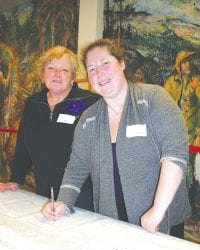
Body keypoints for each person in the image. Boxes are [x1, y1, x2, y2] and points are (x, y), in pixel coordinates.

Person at [42, 39, 191, 238]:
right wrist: (64, 202)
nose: (99, 73)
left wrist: (158, 209)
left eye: (105, 63)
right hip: (111, 221)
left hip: (162, 220)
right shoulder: (88, 118)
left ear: (121, 63)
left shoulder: (153, 98)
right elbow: (77, 167)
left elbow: (175, 154)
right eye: (92, 68)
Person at [0, 45, 100, 210]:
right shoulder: (34, 103)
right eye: (51, 68)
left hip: (82, 196)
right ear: (42, 74)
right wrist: (16, 179)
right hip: (44, 192)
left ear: (73, 77)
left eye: (64, 70)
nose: (57, 74)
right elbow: (23, 146)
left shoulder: (88, 103)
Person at [164, 50, 200, 216]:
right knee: (172, 168)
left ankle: (190, 210)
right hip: (173, 134)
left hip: (192, 136)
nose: (188, 64)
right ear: (178, 65)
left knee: (190, 171)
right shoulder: (171, 82)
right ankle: (173, 206)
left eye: (189, 61)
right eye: (184, 62)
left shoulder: (197, 80)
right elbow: (163, 105)